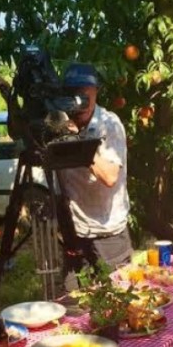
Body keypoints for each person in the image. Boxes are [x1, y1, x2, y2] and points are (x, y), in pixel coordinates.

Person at [55, 63, 133, 290]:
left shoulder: (109, 124)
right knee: (73, 307)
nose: (78, 102)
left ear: (95, 91)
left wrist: (76, 141)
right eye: (73, 93)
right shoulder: (59, 123)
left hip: (108, 235)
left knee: (120, 302)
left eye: (84, 95)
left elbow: (110, 177)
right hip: (74, 235)